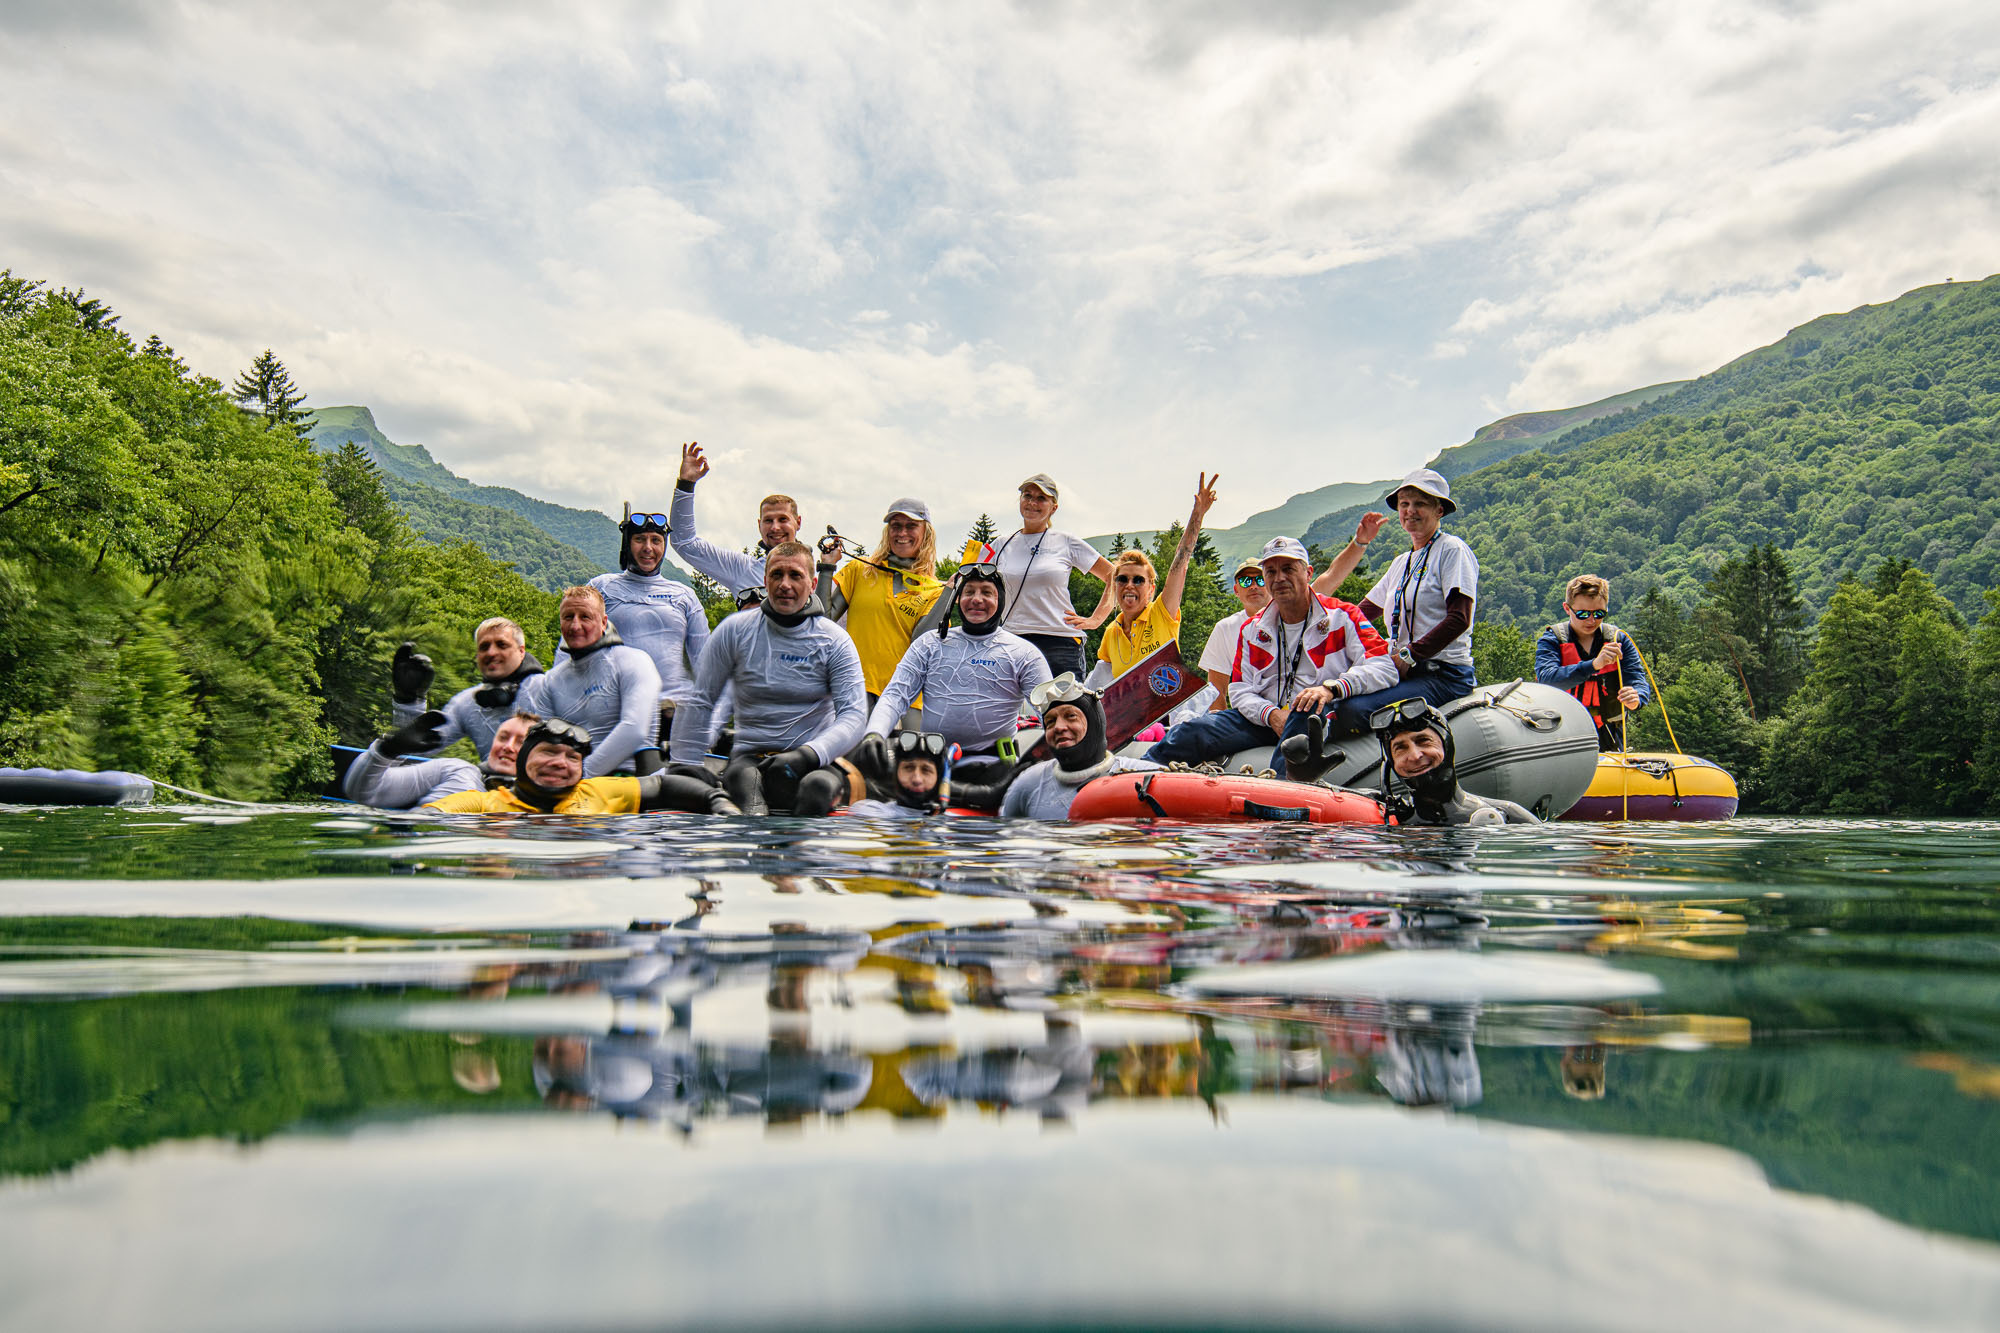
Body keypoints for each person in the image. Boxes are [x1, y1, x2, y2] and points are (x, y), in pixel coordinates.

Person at [1143, 537, 1390, 777]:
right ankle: (1134, 773)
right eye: (1270, 572)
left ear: (1308, 573)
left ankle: (1278, 797)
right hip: (1265, 718)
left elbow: (1383, 667)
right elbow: (1239, 689)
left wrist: (1332, 688)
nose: (1279, 578)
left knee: (1306, 706)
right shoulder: (1251, 629)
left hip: (1317, 716)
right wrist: (1270, 714)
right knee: (1193, 730)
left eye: (1288, 569)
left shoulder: (1343, 616)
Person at [668, 540, 868, 815]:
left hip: (814, 760)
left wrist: (809, 753)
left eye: (795, 575)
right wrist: (684, 766)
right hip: (748, 759)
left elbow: (854, 715)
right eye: (777, 575)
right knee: (744, 784)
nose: (785, 584)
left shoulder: (834, 641)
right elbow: (701, 700)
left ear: (812, 585)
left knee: (818, 788)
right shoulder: (734, 630)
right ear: (765, 580)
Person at [1313, 467, 1480, 725]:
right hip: (1402, 671)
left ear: (1439, 511)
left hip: (1443, 675)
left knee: (1354, 710)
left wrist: (1409, 654)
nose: (1410, 511)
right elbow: (1363, 613)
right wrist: (1320, 634)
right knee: (1333, 698)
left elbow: (1460, 618)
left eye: (1420, 504)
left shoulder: (1452, 550)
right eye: (1404, 504)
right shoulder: (1402, 562)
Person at [862, 563, 1050, 785]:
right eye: (969, 592)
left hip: (994, 768)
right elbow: (895, 696)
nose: (976, 599)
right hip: (931, 765)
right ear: (957, 600)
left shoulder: (1024, 653)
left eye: (986, 593)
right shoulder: (929, 643)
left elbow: (1050, 710)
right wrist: (874, 734)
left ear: (999, 601)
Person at [571, 506, 709, 743]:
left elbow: (707, 663)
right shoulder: (602, 587)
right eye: (639, 540)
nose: (648, 548)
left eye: (656, 540)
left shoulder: (684, 595)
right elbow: (571, 644)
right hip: (615, 710)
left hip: (673, 714)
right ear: (627, 543)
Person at [1288, 698, 1535, 825]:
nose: (1415, 755)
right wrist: (1304, 782)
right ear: (1391, 761)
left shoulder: (1508, 815)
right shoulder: (1380, 810)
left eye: (1424, 741)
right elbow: (1318, 807)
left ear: (1446, 745)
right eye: (1400, 748)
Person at [425, 718, 739, 815]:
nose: (560, 764)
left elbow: (662, 786)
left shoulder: (596, 791)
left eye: (572, 758)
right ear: (522, 760)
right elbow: (427, 819)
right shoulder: (485, 803)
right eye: (548, 752)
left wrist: (717, 801)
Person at [1086, 474, 1219, 686]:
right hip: (1133, 717)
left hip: (1168, 715)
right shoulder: (1111, 632)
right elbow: (1101, 683)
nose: (1129, 585)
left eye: (1138, 580)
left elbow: (1180, 563)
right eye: (1122, 579)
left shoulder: (1162, 614)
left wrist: (1198, 514)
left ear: (1151, 589)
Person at [517, 586, 664, 777]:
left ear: (603, 623)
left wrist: (582, 775)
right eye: (568, 617)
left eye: (585, 617)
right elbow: (543, 743)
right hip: (568, 782)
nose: (575, 626)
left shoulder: (634, 661)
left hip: (631, 781)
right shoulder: (550, 681)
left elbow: (635, 730)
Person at [980, 473, 1116, 678]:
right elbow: (970, 582)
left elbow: (1115, 576)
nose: (1032, 502)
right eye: (1027, 495)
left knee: (1063, 708)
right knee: (1009, 710)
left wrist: (1096, 620)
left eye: (1041, 498)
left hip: (1059, 642)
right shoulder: (1000, 545)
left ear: (1054, 508)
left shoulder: (1066, 541)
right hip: (1011, 640)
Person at [815, 497, 947, 704]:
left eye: (911, 526)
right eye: (896, 526)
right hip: (856, 688)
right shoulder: (860, 570)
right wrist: (827, 567)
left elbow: (921, 644)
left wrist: (949, 593)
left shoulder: (935, 590)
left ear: (926, 533)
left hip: (907, 696)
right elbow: (822, 621)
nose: (902, 533)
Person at [998, 676, 1160, 820]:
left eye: (1071, 716)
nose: (1059, 727)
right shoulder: (1029, 783)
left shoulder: (1146, 775)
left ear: (1095, 723)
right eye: (1050, 721)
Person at [387, 619, 545, 762]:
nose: (491, 652)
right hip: (493, 789)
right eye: (484, 647)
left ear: (521, 651)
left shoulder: (546, 688)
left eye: (501, 644)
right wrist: (408, 702)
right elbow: (417, 749)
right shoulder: (467, 703)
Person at [668, 441, 803, 593]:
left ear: (798, 522)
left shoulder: (819, 572)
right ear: (759, 525)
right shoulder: (741, 569)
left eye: (783, 519)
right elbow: (684, 543)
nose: (775, 527)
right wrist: (686, 485)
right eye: (768, 520)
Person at [1535, 574, 1650, 751]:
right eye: (1582, 614)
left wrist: (1637, 697)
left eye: (1599, 613)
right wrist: (1594, 665)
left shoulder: (1619, 639)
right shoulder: (1552, 640)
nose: (1591, 620)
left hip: (1609, 732)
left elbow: (1637, 680)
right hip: (1561, 733)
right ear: (1567, 609)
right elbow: (1547, 678)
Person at [344, 709, 535, 808]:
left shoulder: (547, 803)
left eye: (521, 742)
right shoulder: (455, 770)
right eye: (502, 737)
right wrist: (389, 750)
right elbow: (364, 794)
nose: (508, 747)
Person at [1198, 557, 1270, 712]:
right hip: (1245, 718)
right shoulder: (1226, 628)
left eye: (1260, 580)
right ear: (1236, 590)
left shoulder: (1288, 619)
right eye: (1245, 581)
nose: (1253, 586)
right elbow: (1216, 691)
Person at [846, 731, 954, 819]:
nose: (917, 779)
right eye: (909, 768)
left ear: (939, 776)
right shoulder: (868, 812)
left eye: (926, 770)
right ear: (895, 771)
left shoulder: (948, 820)